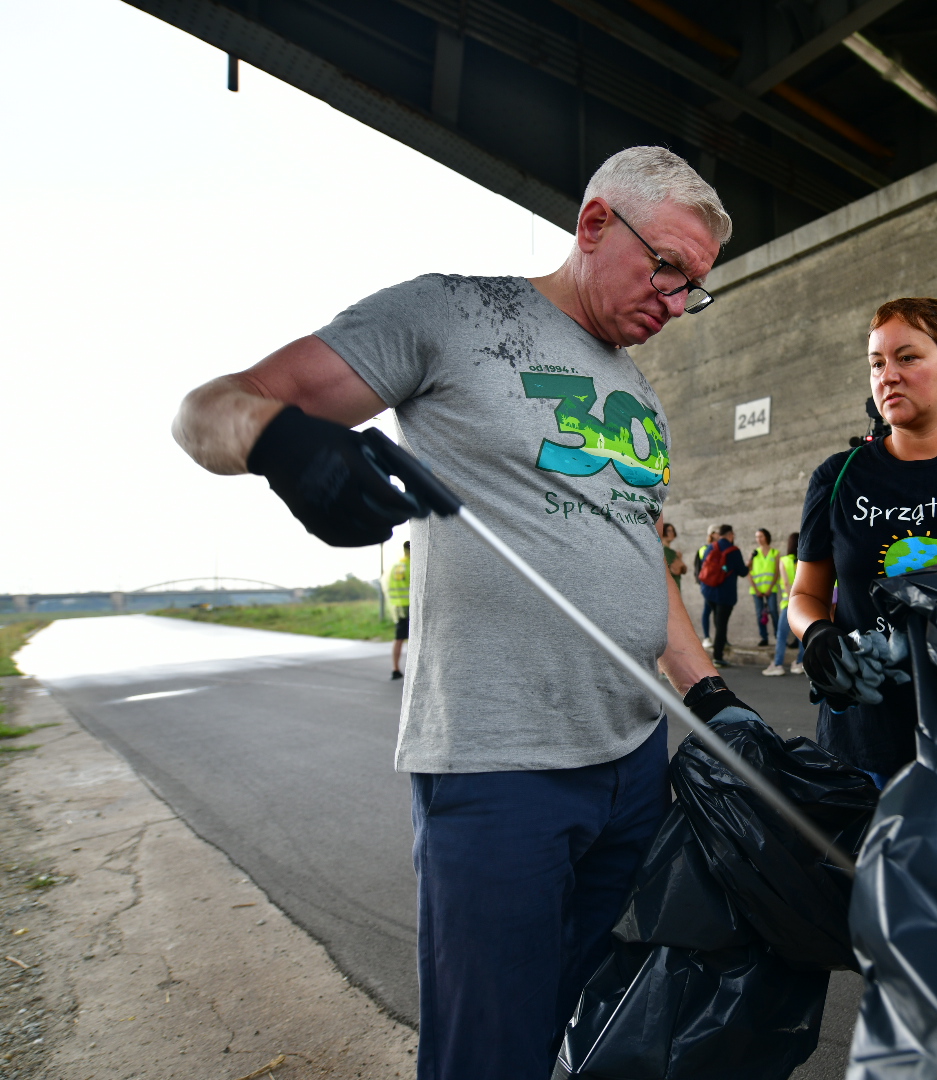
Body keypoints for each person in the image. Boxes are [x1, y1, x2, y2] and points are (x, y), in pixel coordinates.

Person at [170, 147, 760, 1077]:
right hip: (500, 764)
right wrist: (282, 445)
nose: (677, 303)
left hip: (634, 759)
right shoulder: (452, 313)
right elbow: (206, 410)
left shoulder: (641, 392)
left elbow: (637, 550)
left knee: (581, 1021)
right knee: (488, 1048)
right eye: (669, 270)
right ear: (597, 223)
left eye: (696, 289)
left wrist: (713, 692)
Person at [788, 297, 937, 781]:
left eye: (908, 358)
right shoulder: (837, 477)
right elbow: (805, 595)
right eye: (877, 363)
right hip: (865, 748)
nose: (888, 375)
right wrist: (818, 633)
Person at [697, 524, 747, 667]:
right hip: (725, 593)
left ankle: (718, 649)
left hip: (708, 591)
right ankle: (718, 656)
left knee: (717, 620)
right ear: (730, 535)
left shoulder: (710, 547)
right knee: (721, 625)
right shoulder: (734, 551)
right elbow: (743, 572)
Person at [764, 532, 802, 676]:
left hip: (788, 602)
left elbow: (786, 582)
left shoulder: (784, 560)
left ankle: (778, 664)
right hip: (802, 603)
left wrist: (791, 597)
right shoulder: (803, 560)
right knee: (801, 635)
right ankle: (800, 662)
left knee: (782, 635)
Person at [749, 528, 781, 646]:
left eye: (761, 536)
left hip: (770, 589)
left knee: (773, 611)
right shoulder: (754, 553)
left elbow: (776, 572)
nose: (759, 539)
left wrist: (769, 588)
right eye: (757, 537)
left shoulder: (775, 553)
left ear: (766, 537)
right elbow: (749, 572)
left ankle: (778, 636)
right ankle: (764, 638)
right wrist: (756, 589)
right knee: (759, 614)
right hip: (756, 590)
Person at [389, 541, 411, 680]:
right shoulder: (411, 566)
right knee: (416, 638)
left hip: (398, 606)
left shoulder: (396, 566)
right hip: (410, 605)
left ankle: (395, 668)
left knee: (399, 639)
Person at [695, 525, 718, 646]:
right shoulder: (704, 549)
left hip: (718, 585)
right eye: (716, 532)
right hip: (708, 586)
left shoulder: (721, 548)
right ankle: (707, 637)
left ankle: (720, 638)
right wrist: (702, 585)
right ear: (712, 534)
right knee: (707, 610)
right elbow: (698, 568)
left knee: (718, 612)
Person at [661, 522, 687, 590]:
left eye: (673, 531)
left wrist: (679, 562)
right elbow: (675, 570)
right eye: (668, 531)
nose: (671, 533)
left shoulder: (673, 552)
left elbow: (684, 570)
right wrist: (679, 561)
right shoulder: (663, 551)